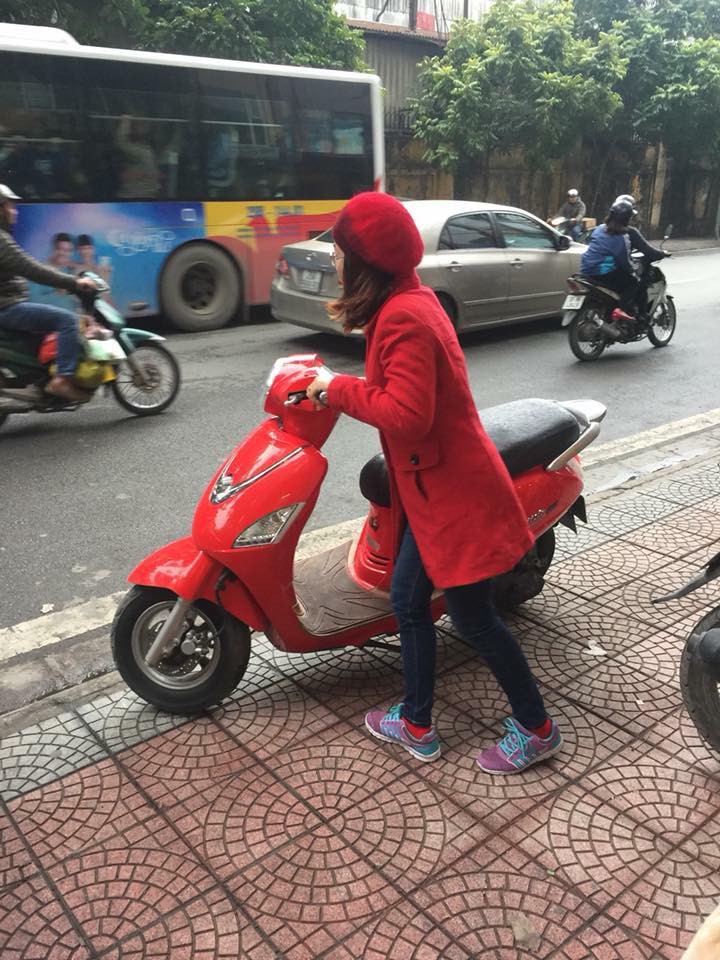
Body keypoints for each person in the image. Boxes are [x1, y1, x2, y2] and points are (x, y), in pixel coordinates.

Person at [306, 192, 562, 775]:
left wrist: (335, 388)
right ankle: (417, 722)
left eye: (341, 252)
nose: (335, 261)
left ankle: (537, 727)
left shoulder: (404, 316)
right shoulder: (407, 301)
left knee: (473, 618)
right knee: (407, 598)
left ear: (365, 261)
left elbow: (407, 414)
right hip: (434, 493)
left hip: (454, 496)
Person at [0, 184, 96, 403]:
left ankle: (40, 381)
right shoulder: (1, 241)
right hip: (7, 307)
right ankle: (62, 380)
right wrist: (74, 282)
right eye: (10, 206)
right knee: (67, 320)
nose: (15, 211)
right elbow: (33, 269)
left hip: (9, 303)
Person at [580, 197, 668, 320]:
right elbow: (626, 263)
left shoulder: (599, 229)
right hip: (602, 273)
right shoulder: (622, 238)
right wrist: (634, 269)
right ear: (627, 219)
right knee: (634, 282)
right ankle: (622, 308)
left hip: (586, 269)